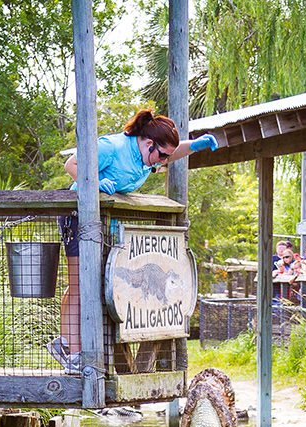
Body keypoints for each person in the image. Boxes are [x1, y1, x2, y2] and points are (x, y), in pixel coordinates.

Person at [54, 109, 217, 372]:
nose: (163, 162)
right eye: (161, 156)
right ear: (148, 143)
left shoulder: (147, 156)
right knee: (80, 284)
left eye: (165, 157)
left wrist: (195, 146)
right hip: (78, 218)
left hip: (106, 224)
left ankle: (70, 344)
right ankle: (71, 352)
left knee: (96, 285)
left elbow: (170, 152)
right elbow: (71, 165)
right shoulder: (112, 147)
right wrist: (95, 182)